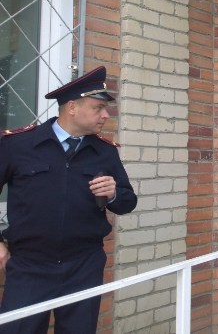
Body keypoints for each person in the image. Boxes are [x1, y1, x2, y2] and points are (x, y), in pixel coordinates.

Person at [0, 65, 138, 333]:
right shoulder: (18, 145)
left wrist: (114, 193)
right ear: (72, 107)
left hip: (84, 265)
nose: (106, 115)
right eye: (98, 108)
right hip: (30, 265)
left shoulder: (104, 152)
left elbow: (127, 202)